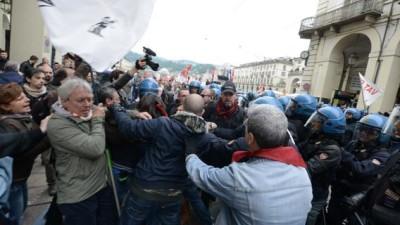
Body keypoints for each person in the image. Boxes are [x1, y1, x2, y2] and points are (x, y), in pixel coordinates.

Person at [109, 94, 234, 225]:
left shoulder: (163, 124)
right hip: (173, 195)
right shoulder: (204, 137)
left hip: (144, 190)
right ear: (202, 112)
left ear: (182, 107)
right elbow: (228, 147)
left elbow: (128, 129)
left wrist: (117, 109)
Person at [185, 104, 313, 225]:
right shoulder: (302, 173)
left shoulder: (241, 178)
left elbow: (204, 175)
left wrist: (190, 155)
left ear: (250, 138)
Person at [47, 78, 117, 225]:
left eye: (90, 99)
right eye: (81, 100)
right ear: (65, 101)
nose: (87, 105)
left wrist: (135, 114)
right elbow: (95, 148)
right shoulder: (57, 124)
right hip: (79, 195)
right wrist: (98, 121)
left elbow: (109, 109)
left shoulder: (87, 112)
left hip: (101, 186)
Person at [327, 114, 391, 225]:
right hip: (338, 191)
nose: (363, 133)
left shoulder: (382, 154)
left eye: (370, 132)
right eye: (362, 129)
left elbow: (362, 169)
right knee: (331, 219)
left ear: (381, 135)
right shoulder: (353, 144)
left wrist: (342, 152)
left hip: (356, 198)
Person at [0, 83, 50, 225]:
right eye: (20, 99)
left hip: (21, 178)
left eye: (25, 96)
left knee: (21, 210)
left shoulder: (22, 117)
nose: (27, 100)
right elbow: (23, 154)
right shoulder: (8, 124)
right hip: (14, 181)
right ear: (6, 106)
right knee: (15, 216)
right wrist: (47, 136)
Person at [301, 106, 345, 225]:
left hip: (315, 194)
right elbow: (297, 150)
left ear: (328, 125)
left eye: (318, 121)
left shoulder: (332, 149)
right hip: (304, 188)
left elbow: (308, 168)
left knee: (307, 219)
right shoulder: (315, 139)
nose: (314, 122)